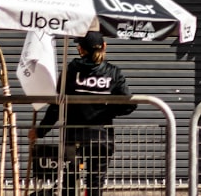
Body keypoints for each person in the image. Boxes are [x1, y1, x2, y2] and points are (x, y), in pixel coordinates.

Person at [29, 31, 137, 196]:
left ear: (81, 49)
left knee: (69, 184)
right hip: (102, 138)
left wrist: (41, 131)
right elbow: (129, 105)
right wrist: (106, 111)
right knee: (95, 186)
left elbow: (56, 106)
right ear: (104, 47)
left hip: (74, 138)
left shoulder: (72, 70)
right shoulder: (113, 72)